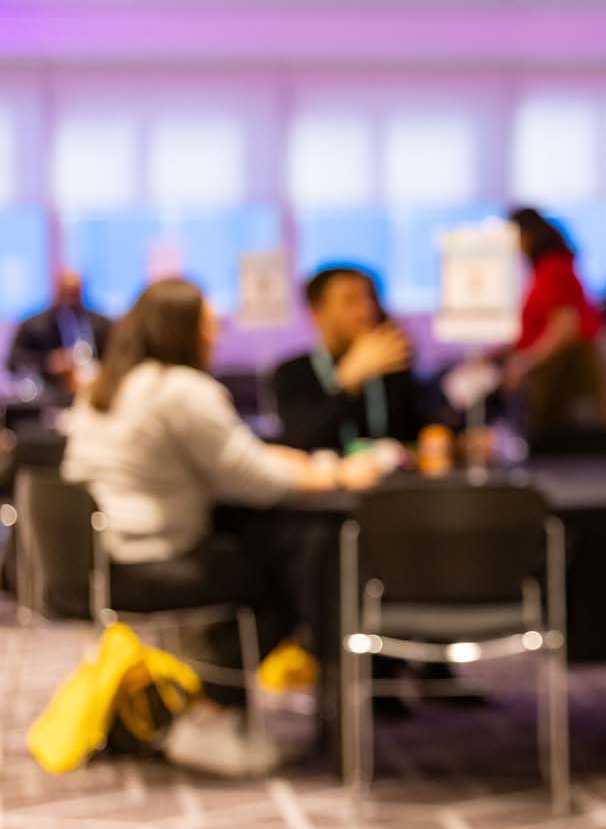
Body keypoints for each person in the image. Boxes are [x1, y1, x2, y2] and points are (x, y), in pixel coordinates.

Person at [62, 278, 379, 772]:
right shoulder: (183, 390)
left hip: (99, 555)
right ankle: (214, 711)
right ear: (182, 331)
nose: (216, 337)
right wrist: (336, 471)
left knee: (263, 549)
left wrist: (288, 463)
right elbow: (256, 481)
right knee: (296, 566)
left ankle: (202, 697)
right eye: (209, 326)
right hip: (150, 559)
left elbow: (229, 461)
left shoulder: (111, 384)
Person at [272, 267, 425, 453]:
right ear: (317, 314)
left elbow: (417, 435)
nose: (366, 311)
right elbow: (303, 439)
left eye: (371, 299)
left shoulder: (392, 366)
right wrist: (348, 381)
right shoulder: (291, 373)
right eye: (351, 301)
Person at [504, 208, 606, 443]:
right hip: (558, 371)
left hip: (566, 376)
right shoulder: (545, 268)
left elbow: (565, 328)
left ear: (526, 235)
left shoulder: (553, 269)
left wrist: (526, 362)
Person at [7, 271, 112, 399]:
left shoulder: (101, 324)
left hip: (95, 389)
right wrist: (48, 363)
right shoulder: (35, 326)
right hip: (49, 393)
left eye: (75, 293)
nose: (71, 300)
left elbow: (116, 355)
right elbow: (14, 361)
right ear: (58, 292)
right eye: (67, 292)